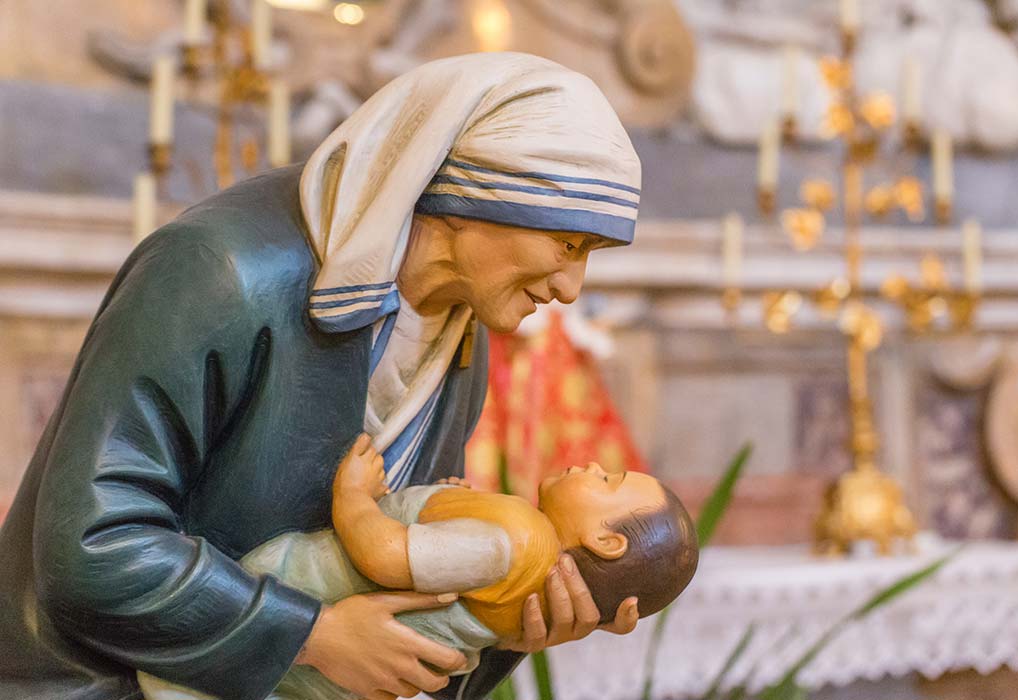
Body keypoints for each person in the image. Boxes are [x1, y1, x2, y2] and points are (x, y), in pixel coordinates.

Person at [0, 52, 643, 700]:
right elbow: (93, 546)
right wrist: (314, 637)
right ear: (468, 193)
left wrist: (504, 622)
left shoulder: (459, 335)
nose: (571, 287)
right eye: (568, 244)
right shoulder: (219, 273)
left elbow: (389, 587)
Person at [137, 437, 699, 700]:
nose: (595, 465)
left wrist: (353, 498)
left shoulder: (518, 544)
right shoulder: (516, 546)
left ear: (604, 541)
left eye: (608, 482)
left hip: (294, 594)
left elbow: (384, 554)